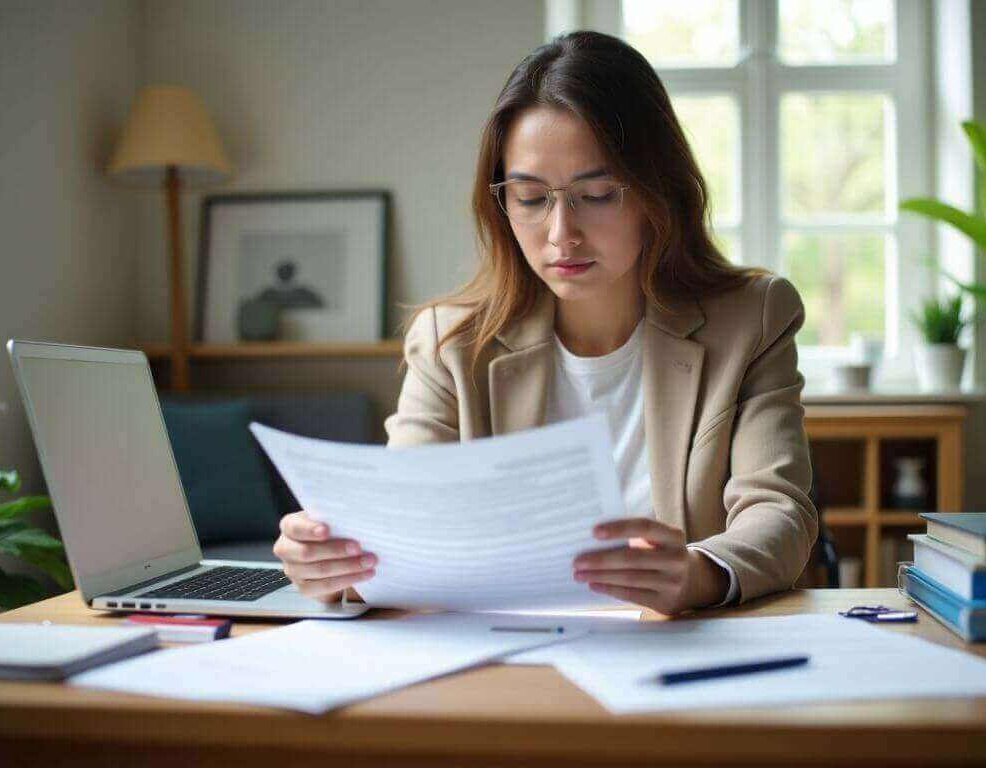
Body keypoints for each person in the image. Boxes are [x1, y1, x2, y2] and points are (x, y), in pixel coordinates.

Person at [272, 30, 818, 616]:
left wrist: (698, 573)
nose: (562, 234)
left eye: (598, 193)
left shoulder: (752, 318)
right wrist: (339, 565)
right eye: (531, 198)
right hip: (506, 651)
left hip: (676, 644)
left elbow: (779, 512)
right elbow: (406, 529)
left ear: (659, 190)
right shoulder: (450, 343)